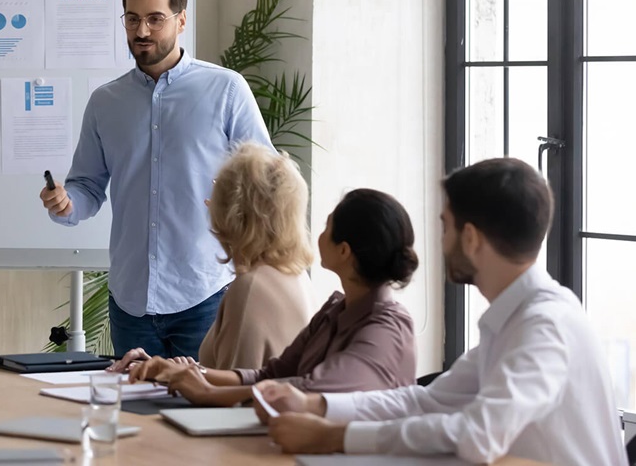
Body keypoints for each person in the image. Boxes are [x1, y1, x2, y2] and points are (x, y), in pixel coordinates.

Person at [256, 158, 627, 466]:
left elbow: (479, 436)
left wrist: (336, 437)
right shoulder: (519, 318)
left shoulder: (545, 326)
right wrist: (315, 405)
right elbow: (425, 399)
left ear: (471, 239)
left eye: (444, 227)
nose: (440, 241)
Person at [39, 0, 273, 358]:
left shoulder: (226, 90)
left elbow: (266, 181)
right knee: (134, 415)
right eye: (132, 19)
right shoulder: (105, 103)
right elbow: (88, 186)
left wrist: (234, 207)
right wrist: (67, 203)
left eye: (155, 19)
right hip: (130, 302)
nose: (142, 30)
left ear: (181, 20)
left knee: (203, 413)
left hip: (205, 294)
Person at [128, 188, 418, 407]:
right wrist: (184, 371)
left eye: (327, 228)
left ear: (344, 251)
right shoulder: (335, 310)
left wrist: (210, 392)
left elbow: (312, 390)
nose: (318, 235)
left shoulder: (387, 328)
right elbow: (272, 374)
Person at [110, 142, 316, 372]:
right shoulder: (294, 276)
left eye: (217, 190)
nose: (209, 202)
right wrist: (175, 369)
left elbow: (230, 397)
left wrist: (174, 377)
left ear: (233, 212)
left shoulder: (251, 287)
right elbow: (237, 379)